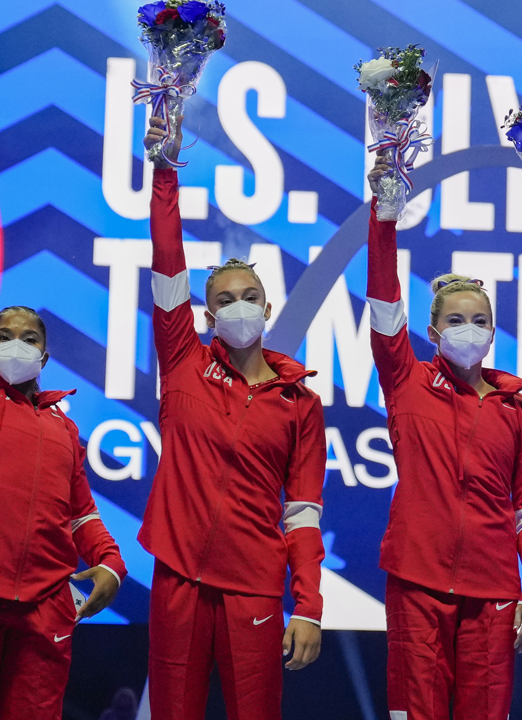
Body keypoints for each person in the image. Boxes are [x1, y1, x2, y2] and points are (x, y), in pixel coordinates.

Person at [139, 117, 327, 720]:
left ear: (268, 308)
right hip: (179, 579)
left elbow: (301, 514)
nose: (238, 307)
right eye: (224, 299)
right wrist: (165, 172)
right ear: (205, 311)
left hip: (254, 580)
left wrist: (310, 605)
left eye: (248, 297)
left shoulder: (300, 403)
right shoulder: (184, 363)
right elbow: (167, 259)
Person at [0, 167, 126, 719]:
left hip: (46, 608)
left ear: (45, 356)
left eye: (29, 338)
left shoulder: (63, 428)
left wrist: (108, 562)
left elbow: (81, 514)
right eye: (3, 335)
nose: (16, 344)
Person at [365, 159, 522, 720]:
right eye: (455, 320)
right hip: (416, 579)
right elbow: (382, 302)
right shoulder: (405, 379)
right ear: (432, 331)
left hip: (493, 588)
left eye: (478, 320)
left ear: (493, 334)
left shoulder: (519, 409)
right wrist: (384, 217)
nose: (467, 329)